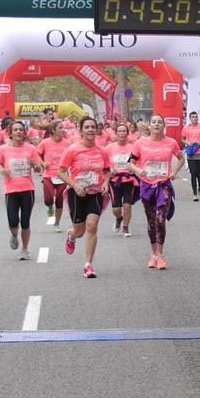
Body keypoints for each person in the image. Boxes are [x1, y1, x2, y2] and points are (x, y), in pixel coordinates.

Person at [57, 117, 112, 278]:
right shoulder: (72, 150)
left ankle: (88, 265)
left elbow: (107, 170)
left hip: (95, 193)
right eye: (86, 127)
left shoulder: (102, 150)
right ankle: (72, 235)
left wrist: (106, 182)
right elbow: (60, 171)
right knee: (80, 231)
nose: (90, 130)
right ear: (81, 130)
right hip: (77, 193)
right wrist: (75, 185)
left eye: (92, 127)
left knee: (92, 226)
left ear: (96, 130)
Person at [131, 114, 184, 270]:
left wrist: (174, 171)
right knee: (151, 221)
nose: (156, 124)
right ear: (149, 125)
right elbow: (131, 163)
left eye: (159, 122)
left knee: (160, 219)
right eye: (153, 122)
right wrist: (139, 170)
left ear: (163, 126)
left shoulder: (171, 143)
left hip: (163, 185)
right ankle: (153, 254)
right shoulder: (140, 143)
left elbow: (181, 158)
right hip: (147, 185)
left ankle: (160, 255)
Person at [0, 120, 43, 260]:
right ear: (10, 133)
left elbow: (39, 168)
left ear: (24, 132)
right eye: (15, 130)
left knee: (25, 221)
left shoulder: (31, 149)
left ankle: (25, 249)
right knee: (12, 221)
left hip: (27, 189)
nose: (18, 132)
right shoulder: (4, 149)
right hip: (11, 190)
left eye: (20, 130)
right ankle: (14, 234)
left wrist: (34, 165)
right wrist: (2, 170)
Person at [37, 120, 71, 232]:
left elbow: (72, 157)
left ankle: (57, 223)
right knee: (48, 199)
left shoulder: (67, 143)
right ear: (53, 130)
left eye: (63, 128)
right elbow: (36, 154)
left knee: (60, 201)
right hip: (48, 175)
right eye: (60, 128)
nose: (63, 130)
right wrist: (43, 163)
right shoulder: (45, 142)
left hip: (62, 176)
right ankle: (50, 207)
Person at [106, 123, 138, 237]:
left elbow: (138, 161)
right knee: (116, 208)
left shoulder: (133, 147)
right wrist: (110, 170)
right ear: (116, 133)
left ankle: (125, 228)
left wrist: (134, 169)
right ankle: (119, 218)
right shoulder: (109, 148)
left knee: (127, 206)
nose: (122, 133)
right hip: (114, 181)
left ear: (127, 133)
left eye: (124, 131)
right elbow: (104, 164)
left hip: (129, 180)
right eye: (119, 131)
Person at [182, 110, 200, 201]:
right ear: (190, 118)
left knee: (199, 173)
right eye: (193, 117)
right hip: (191, 153)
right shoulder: (186, 128)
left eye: (196, 116)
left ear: (198, 118)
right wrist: (187, 142)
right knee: (193, 173)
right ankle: (195, 194)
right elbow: (182, 139)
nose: (194, 118)